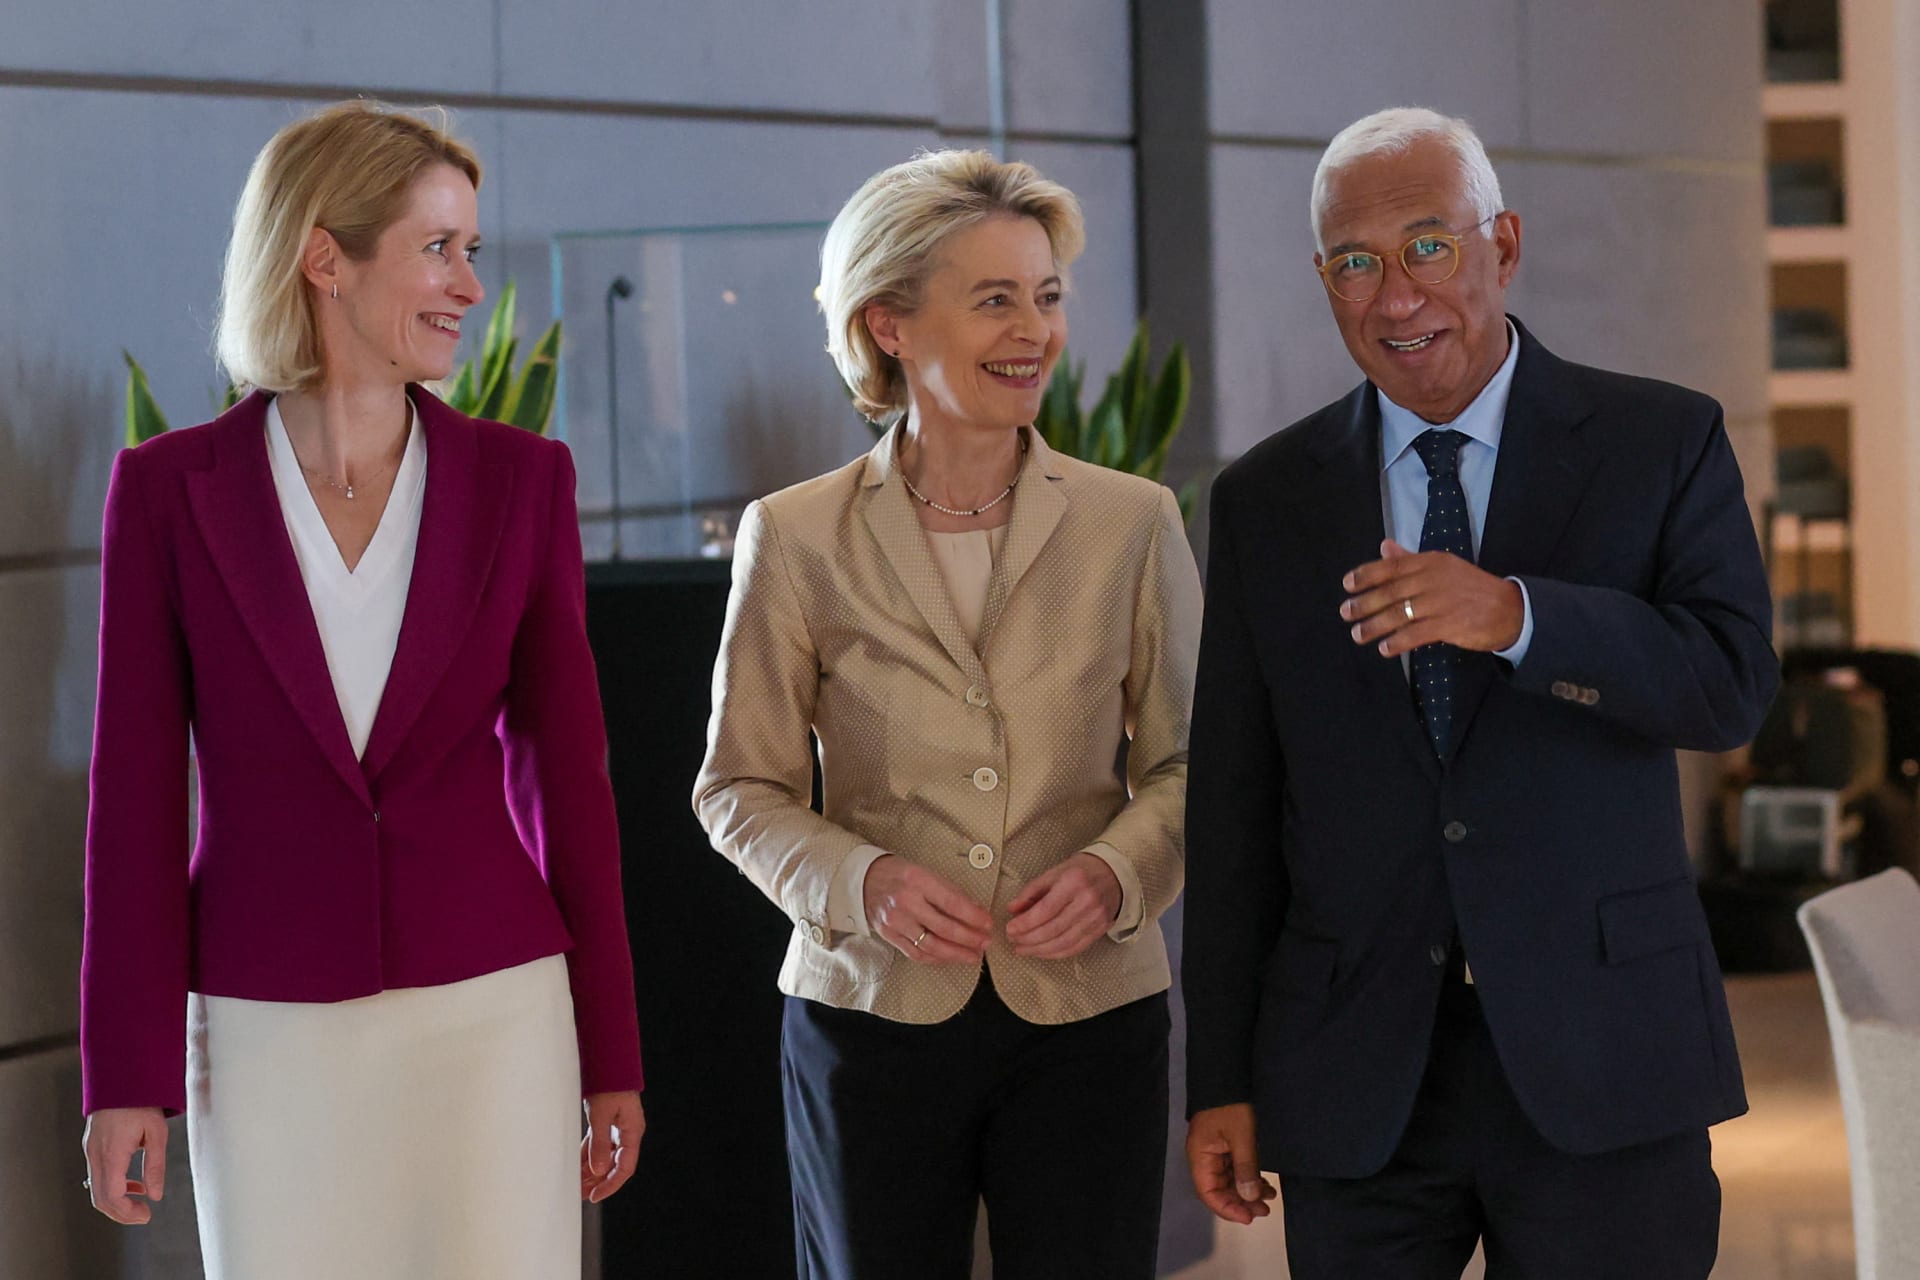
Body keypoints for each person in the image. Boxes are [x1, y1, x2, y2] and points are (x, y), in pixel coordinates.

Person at [1181, 106, 1779, 1279]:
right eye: (1355, 263)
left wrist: (1520, 617)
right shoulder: (1267, 499)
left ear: (1503, 244)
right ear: (1323, 280)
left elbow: (1730, 686)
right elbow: (1235, 810)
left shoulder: (1661, 441)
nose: (1397, 295)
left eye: (1428, 246)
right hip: (1358, 1074)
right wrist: (1223, 1077)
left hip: (1606, 1054)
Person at [79, 100, 643, 1278]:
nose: (470, 285)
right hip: (266, 1025)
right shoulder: (170, 492)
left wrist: (611, 1052)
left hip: (495, 1012)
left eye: (470, 249)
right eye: (437, 248)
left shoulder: (522, 482)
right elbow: (134, 803)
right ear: (325, 257)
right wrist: (124, 1076)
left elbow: (567, 783)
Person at [693, 149, 1201, 1279]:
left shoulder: (1133, 522)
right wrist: (860, 881)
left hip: (1089, 1012)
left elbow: (1195, 763)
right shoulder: (796, 534)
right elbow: (739, 787)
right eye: (995, 299)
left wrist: (1119, 871)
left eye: (1047, 296)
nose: (1035, 331)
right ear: (890, 323)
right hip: (868, 1014)